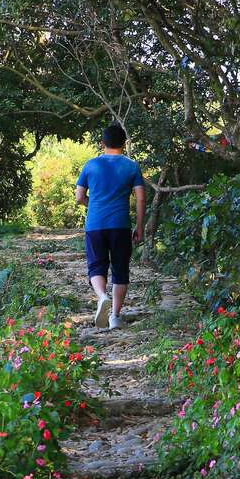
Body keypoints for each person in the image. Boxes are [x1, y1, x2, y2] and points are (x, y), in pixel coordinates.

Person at [75, 122, 146, 330]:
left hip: (95, 224)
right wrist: (140, 227)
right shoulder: (131, 166)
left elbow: (79, 197)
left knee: (96, 266)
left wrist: (92, 204)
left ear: (102, 143)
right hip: (120, 225)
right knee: (120, 270)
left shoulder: (90, 165)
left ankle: (101, 296)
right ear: (124, 143)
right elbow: (141, 199)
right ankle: (114, 316)